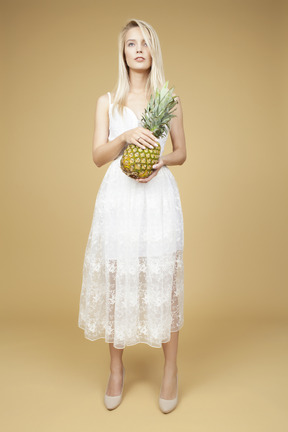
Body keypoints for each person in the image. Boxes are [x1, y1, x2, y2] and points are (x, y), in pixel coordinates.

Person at [78, 18, 187, 413]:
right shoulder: (108, 101)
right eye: (130, 44)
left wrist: (161, 161)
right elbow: (97, 157)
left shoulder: (168, 100)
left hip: (157, 198)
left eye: (145, 43)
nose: (138, 49)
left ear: (153, 51)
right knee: (116, 281)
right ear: (123, 54)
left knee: (164, 280)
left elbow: (181, 152)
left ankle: (171, 369)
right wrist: (124, 137)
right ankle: (116, 370)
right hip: (119, 199)